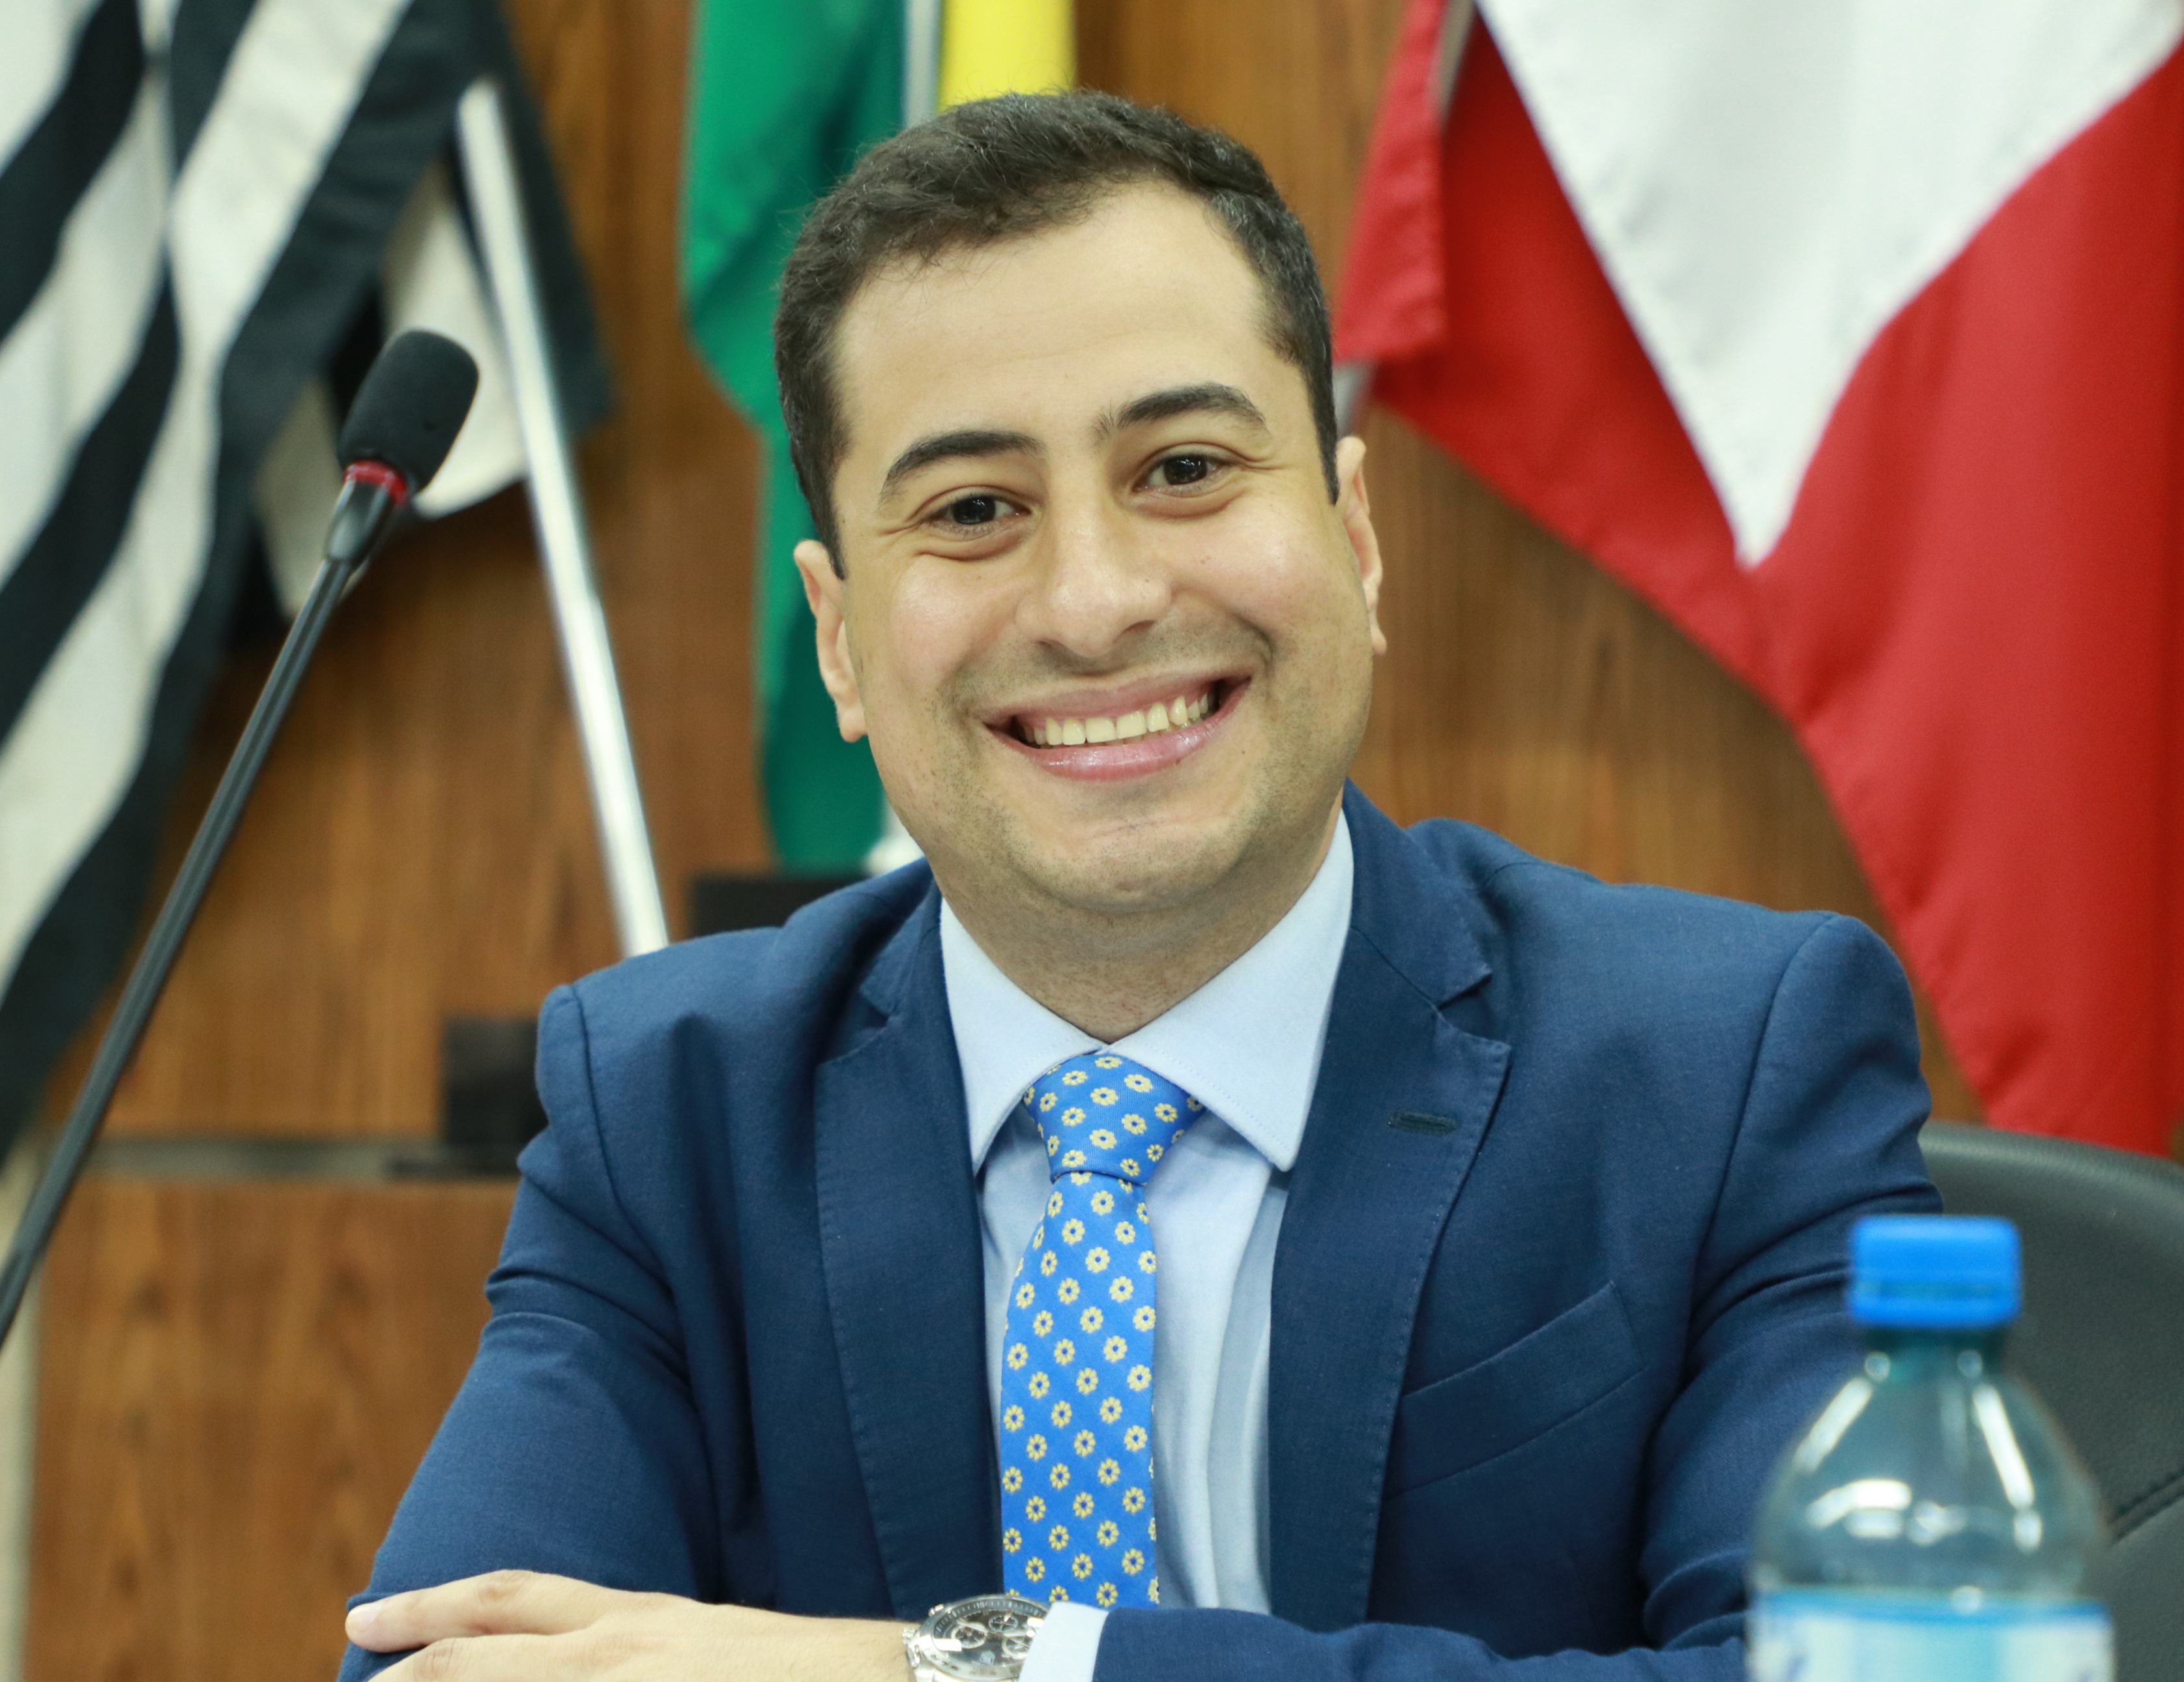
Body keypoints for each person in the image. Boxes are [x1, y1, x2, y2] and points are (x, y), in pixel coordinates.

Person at [337, 93, 1936, 1682]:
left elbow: (1866, 1674)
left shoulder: (1724, 1069)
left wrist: (952, 1671)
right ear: (837, 640)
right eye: (973, 510)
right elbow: (439, 1671)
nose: (1094, 602)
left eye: (1182, 467)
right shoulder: (669, 1113)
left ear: (1356, 539)